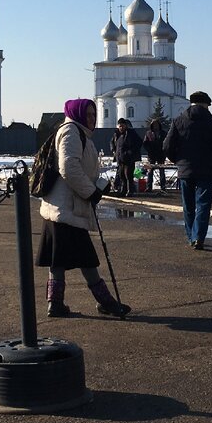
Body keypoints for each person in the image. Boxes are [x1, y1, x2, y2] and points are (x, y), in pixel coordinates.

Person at [36, 98, 130, 318]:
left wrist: (96, 186)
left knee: (58, 258)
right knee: (86, 258)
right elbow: (68, 168)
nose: (92, 119)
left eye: (93, 114)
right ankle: (105, 301)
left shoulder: (79, 133)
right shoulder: (71, 132)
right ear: (76, 114)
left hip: (64, 206)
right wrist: (91, 191)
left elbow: (79, 168)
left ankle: (55, 303)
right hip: (67, 207)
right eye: (87, 114)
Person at [163, 91, 212, 250]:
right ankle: (198, 236)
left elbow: (167, 146)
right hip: (206, 170)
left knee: (188, 205)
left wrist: (178, 161)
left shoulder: (178, 121)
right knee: (203, 204)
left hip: (185, 171)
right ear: (205, 104)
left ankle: (191, 236)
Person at [111, 118, 142, 196]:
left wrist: (130, 152)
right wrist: (114, 150)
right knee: (121, 175)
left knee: (128, 175)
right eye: (120, 126)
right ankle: (123, 190)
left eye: (122, 126)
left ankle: (130, 191)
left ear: (125, 125)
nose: (121, 127)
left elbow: (139, 142)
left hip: (129, 159)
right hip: (120, 158)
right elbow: (112, 142)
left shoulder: (131, 133)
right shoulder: (117, 134)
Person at [142, 117, 167, 191]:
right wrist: (149, 149)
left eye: (157, 124)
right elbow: (145, 143)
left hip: (161, 154)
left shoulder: (163, 133)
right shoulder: (148, 133)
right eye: (154, 125)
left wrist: (164, 150)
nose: (155, 126)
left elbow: (166, 143)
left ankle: (163, 187)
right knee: (150, 171)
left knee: (162, 171)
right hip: (151, 155)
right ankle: (149, 187)